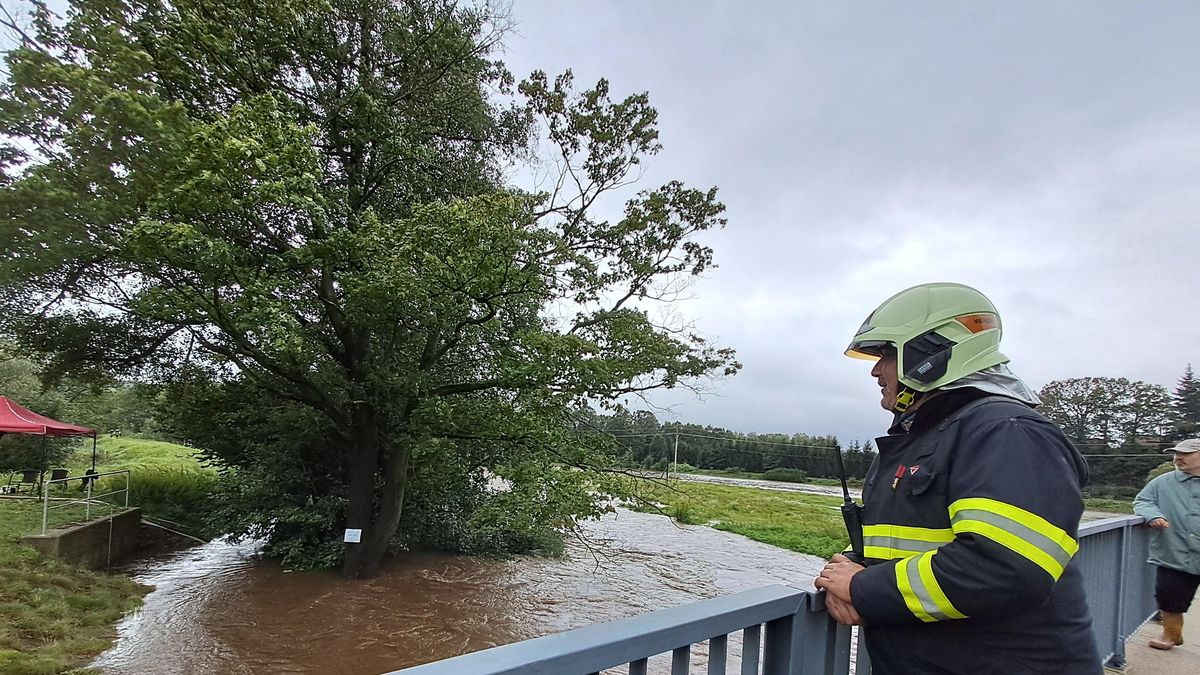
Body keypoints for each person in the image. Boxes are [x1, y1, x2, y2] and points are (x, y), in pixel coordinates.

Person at [813, 282, 1102, 674]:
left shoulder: (1007, 432)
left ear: (929, 353)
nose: (876, 370)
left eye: (885, 355)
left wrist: (863, 588)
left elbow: (1004, 569)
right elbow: (914, 541)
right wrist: (846, 568)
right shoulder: (930, 436)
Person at [1132, 437, 1200, 650]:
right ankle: (1171, 634)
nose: (1178, 457)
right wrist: (1152, 515)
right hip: (1174, 550)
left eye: (1185, 453)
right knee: (1168, 594)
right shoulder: (1163, 482)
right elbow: (1143, 500)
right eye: (1176, 453)